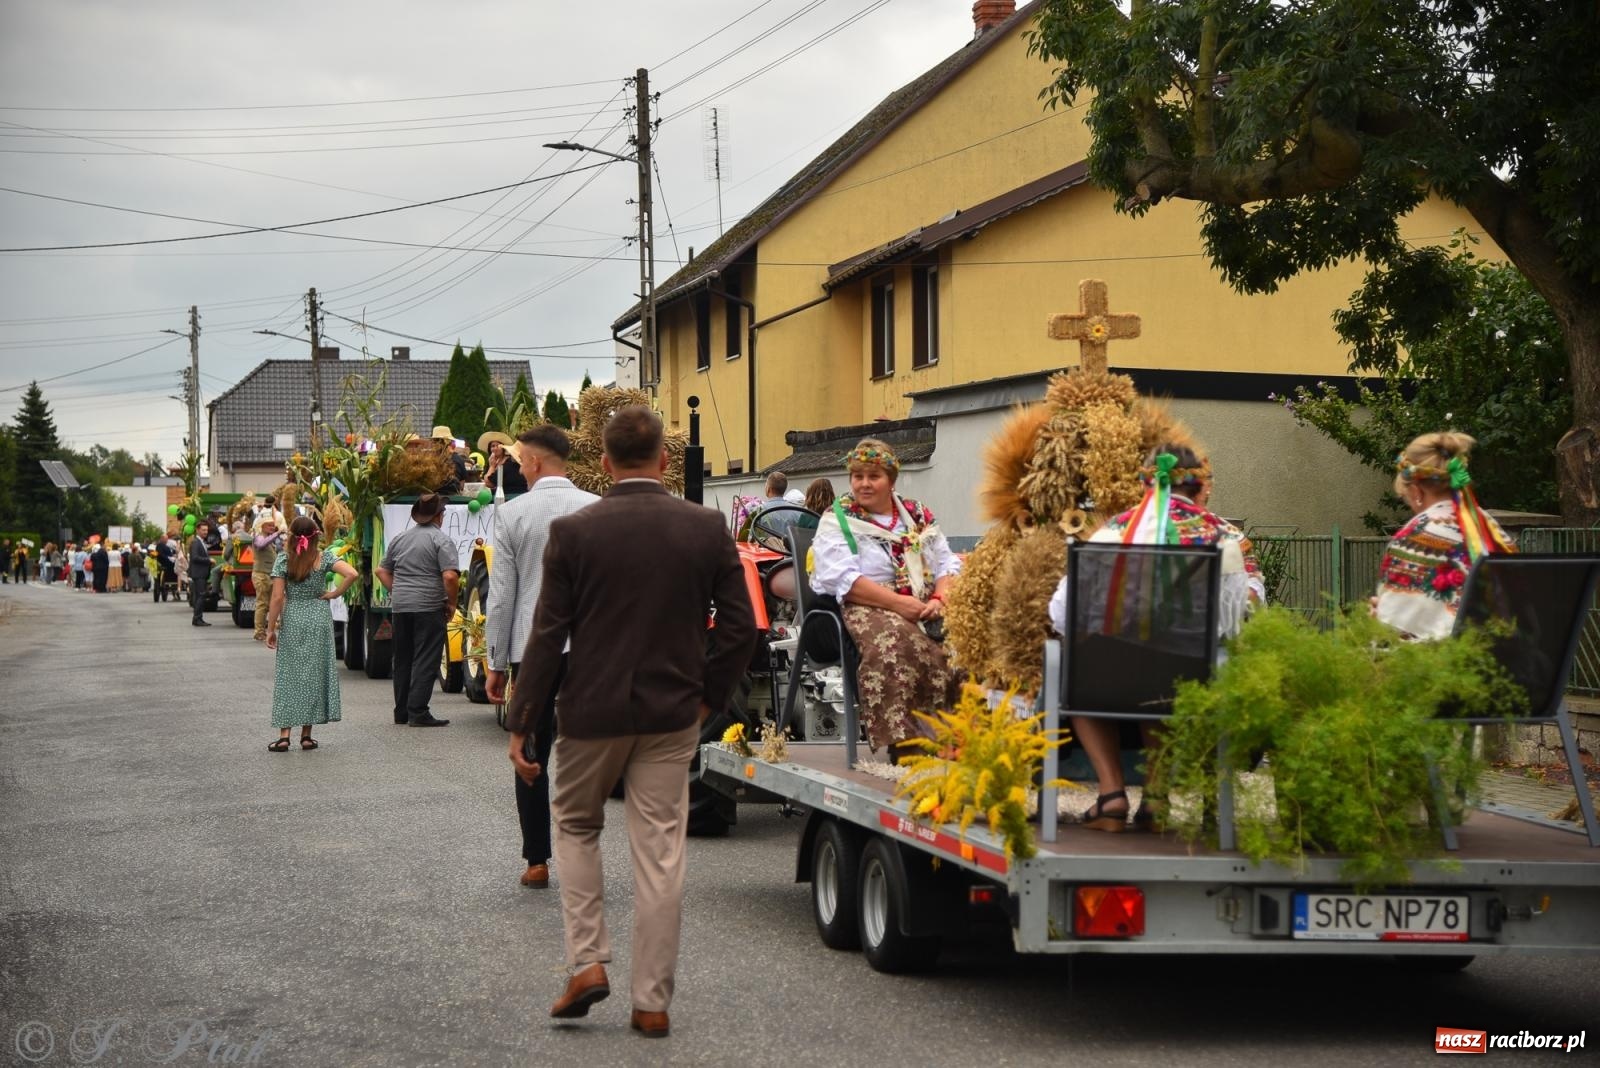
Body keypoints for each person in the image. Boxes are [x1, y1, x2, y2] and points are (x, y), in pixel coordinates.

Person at [507, 405, 755, 1037]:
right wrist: (709, 699)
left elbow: (547, 635)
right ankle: (651, 1002)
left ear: (605, 463)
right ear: (666, 460)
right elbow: (738, 628)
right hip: (672, 712)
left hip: (591, 711)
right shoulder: (705, 527)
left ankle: (588, 961)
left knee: (576, 826)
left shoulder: (575, 532)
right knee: (660, 852)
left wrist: (522, 719)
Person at [1047, 443, 1265, 832]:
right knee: (1168, 669)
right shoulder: (1224, 536)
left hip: (1103, 683)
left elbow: (1062, 611)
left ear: (1147, 483)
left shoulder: (1113, 531)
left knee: (1077, 665)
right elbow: (1237, 618)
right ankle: (1156, 799)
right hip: (1191, 682)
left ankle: (1111, 795)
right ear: (1199, 484)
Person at [483, 426, 599, 890]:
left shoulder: (512, 514)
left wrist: (495, 660)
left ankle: (537, 861)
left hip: (531, 649)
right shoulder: (597, 508)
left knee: (530, 751)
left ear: (533, 462)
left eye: (520, 462)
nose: (519, 469)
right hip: (590, 648)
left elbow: (501, 595)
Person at [810, 439, 963, 760]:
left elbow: (946, 562)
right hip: (868, 602)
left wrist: (941, 598)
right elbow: (845, 580)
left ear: (891, 480)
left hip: (925, 600)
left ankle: (960, 736)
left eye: (874, 476)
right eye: (858, 476)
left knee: (967, 642)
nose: (864, 484)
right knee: (898, 642)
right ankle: (909, 744)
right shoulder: (838, 519)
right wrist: (900, 605)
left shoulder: (916, 515)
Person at [1374, 431, 1515, 641]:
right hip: (1505, 655)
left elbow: (1392, 641)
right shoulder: (1489, 527)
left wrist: (1376, 619)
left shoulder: (1415, 536)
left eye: (1405, 496)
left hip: (1448, 658)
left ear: (1416, 491)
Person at [265, 516, 359, 752]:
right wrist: (334, 594)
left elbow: (277, 597)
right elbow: (352, 573)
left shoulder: (284, 559)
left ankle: (284, 736)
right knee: (313, 674)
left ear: (291, 536)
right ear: (316, 536)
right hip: (318, 617)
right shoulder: (323, 557)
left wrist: (270, 628)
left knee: (288, 675)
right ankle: (306, 736)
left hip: (294, 617)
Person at [376, 493, 460, 727]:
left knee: (403, 658)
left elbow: (381, 571)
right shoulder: (441, 540)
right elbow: (450, 576)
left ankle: (401, 711)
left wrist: (398, 591)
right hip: (428, 606)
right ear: (439, 516)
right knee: (426, 658)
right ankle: (418, 711)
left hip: (401, 606)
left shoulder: (400, 538)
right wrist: (452, 603)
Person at [251, 511, 284, 641]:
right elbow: (261, 544)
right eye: (269, 525)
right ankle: (259, 631)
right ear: (262, 526)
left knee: (272, 603)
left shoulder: (270, 539)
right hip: (261, 575)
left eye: (273, 525)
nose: (272, 527)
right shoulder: (258, 537)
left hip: (269, 575)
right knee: (262, 604)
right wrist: (277, 534)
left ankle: (267, 629)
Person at [479, 431, 529, 495]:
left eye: (498, 446)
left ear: (503, 448)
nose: (495, 448)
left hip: (511, 494)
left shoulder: (510, 462)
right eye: (493, 446)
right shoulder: (491, 461)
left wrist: (492, 466)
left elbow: (489, 483)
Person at [188, 520, 214, 626]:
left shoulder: (201, 542)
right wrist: (208, 560)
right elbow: (195, 557)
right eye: (203, 530)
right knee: (201, 595)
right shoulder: (196, 542)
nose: (205, 532)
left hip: (201, 573)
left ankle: (198, 618)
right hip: (198, 573)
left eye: (206, 530)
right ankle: (197, 618)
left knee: (200, 595)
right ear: (197, 530)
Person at [431, 425, 468, 495]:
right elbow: (462, 485)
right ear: (449, 442)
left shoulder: (429, 460)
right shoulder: (458, 459)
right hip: (454, 498)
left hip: (434, 498)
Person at [154, 534, 177, 602]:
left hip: (169, 562)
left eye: (167, 539)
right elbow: (160, 555)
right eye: (165, 539)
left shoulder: (166, 546)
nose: (167, 540)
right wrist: (169, 558)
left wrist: (172, 556)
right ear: (162, 539)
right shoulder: (160, 545)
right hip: (165, 563)